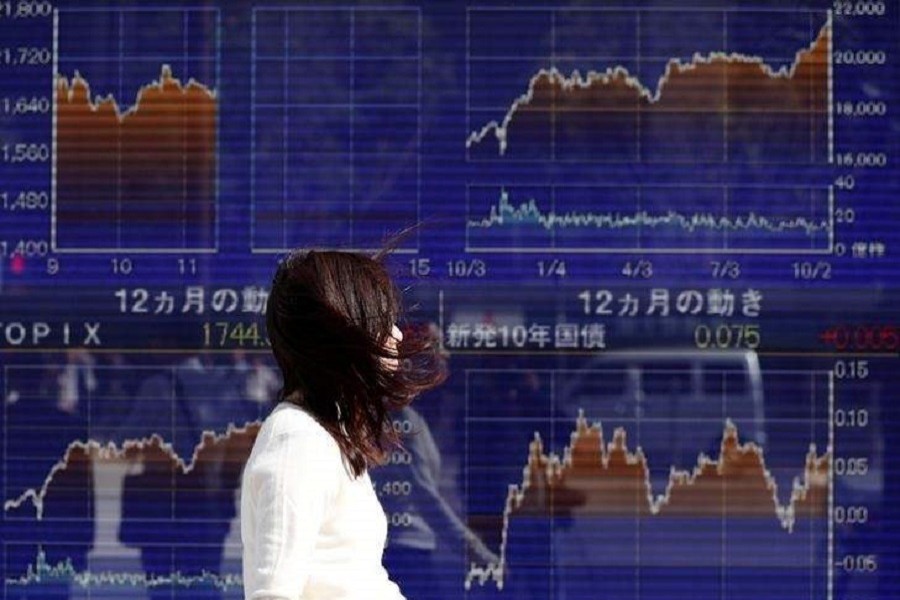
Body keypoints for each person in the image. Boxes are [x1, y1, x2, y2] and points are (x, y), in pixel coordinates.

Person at [240, 249, 446, 600]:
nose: (396, 334)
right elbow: (272, 593)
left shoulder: (323, 434)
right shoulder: (298, 442)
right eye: (381, 322)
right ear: (343, 332)